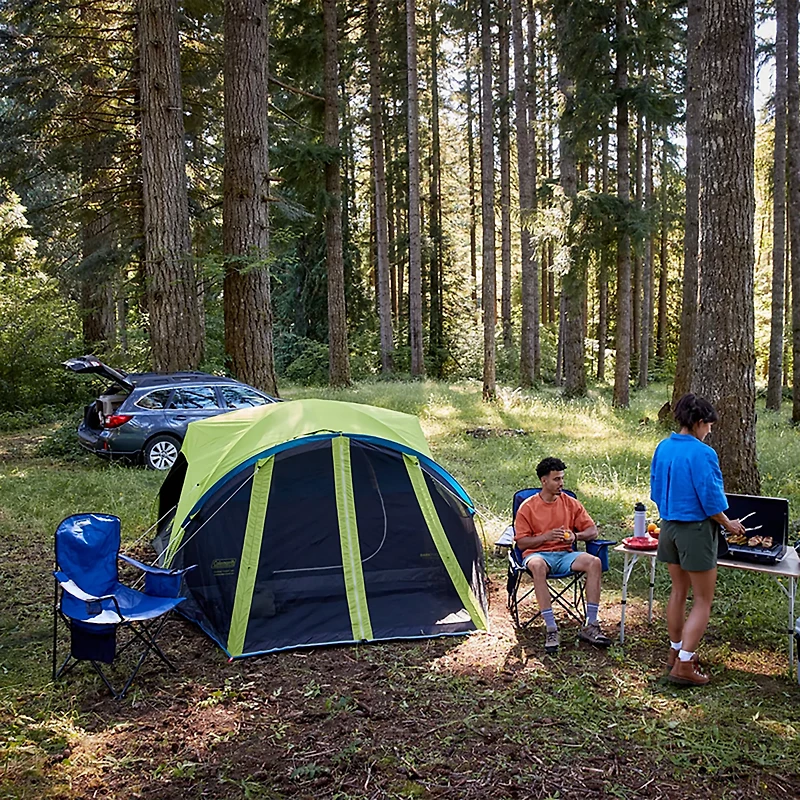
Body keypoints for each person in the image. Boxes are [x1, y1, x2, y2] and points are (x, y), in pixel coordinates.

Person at [650, 393, 746, 687]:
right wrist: (728, 523)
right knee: (703, 599)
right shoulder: (703, 453)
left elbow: (655, 490)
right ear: (699, 422)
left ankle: (675, 652)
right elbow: (710, 498)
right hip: (695, 530)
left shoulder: (663, 447)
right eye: (709, 425)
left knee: (678, 592)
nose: (710, 431)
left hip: (669, 528)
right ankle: (685, 664)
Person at [514, 457, 613, 654]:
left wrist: (576, 536)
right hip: (538, 555)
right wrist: (546, 537)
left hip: (565, 554)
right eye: (556, 479)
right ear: (544, 481)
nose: (561, 483)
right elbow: (522, 543)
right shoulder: (528, 507)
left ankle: (591, 624)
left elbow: (592, 531)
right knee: (537, 566)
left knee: (594, 562)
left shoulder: (570, 503)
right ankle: (551, 628)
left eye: (562, 478)